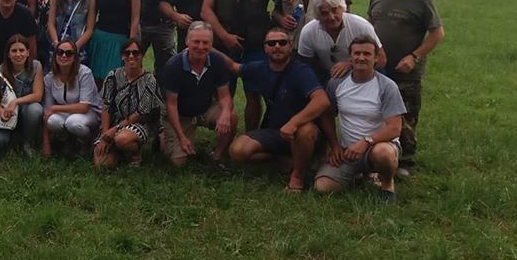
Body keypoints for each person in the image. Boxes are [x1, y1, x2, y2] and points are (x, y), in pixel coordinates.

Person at [368, 0, 444, 177]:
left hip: (406, 71)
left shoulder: (421, 0)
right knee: (377, 111)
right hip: (379, 67)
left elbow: (437, 34)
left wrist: (414, 56)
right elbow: (370, 25)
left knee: (405, 114)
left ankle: (405, 160)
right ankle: (378, 155)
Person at [227, 28, 330, 192]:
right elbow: (233, 67)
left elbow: (322, 100)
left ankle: (297, 177)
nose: (277, 46)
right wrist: (208, 48)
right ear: (265, 48)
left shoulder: (301, 71)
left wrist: (294, 122)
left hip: (303, 134)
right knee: (238, 151)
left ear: (290, 47)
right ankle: (283, 159)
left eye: (282, 42)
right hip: (276, 132)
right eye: (271, 43)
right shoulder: (259, 68)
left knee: (305, 130)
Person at [201, 0, 282, 132]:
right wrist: (224, 36)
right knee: (222, 93)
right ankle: (223, 137)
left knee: (253, 94)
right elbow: (206, 10)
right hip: (224, 44)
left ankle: (251, 135)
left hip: (255, 44)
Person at [315, 36, 405, 200]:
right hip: (347, 151)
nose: (361, 58)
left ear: (376, 58)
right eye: (357, 53)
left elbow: (394, 128)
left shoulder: (387, 86)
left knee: (383, 154)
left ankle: (387, 182)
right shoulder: (336, 83)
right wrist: (334, 146)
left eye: (367, 54)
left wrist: (365, 142)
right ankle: (361, 173)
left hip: (377, 145)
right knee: (322, 187)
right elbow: (327, 116)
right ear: (350, 57)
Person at [160, 22, 235, 167]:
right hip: (180, 114)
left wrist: (225, 113)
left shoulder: (218, 61)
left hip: (205, 108)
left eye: (205, 43)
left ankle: (217, 155)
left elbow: (224, 96)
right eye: (196, 42)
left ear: (211, 44)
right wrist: (181, 137)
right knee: (178, 162)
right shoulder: (173, 66)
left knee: (231, 116)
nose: (201, 47)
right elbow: (171, 105)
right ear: (187, 41)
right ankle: (163, 136)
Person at [93, 38, 163, 168]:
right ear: (122, 56)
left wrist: (115, 130)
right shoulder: (112, 76)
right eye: (127, 53)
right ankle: (119, 152)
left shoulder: (150, 80)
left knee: (122, 139)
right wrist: (105, 134)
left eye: (136, 53)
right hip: (115, 121)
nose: (131, 56)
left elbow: (140, 113)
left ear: (142, 55)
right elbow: (106, 106)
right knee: (101, 163)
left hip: (140, 122)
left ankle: (134, 153)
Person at [298, 0, 384, 85]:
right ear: (317, 15)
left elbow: (381, 60)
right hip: (327, 77)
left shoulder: (361, 26)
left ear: (342, 8)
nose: (331, 17)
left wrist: (351, 64)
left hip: (361, 76)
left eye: (335, 10)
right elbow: (305, 66)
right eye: (325, 13)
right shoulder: (308, 31)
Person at [0, 34, 45, 153]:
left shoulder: (36, 66)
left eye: (21, 50)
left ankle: (27, 142)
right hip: (6, 115)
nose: (18, 54)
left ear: (28, 52)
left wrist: (15, 102)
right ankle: (12, 141)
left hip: (26, 111)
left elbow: (38, 95)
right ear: (8, 54)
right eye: (14, 51)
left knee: (36, 109)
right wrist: (1, 111)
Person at [89, 0, 140, 85]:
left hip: (120, 41)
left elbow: (135, 18)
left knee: (117, 81)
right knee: (96, 81)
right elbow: (92, 17)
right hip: (99, 40)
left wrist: (131, 44)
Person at [41, 40, 101, 158]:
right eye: (60, 52)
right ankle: (66, 141)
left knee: (73, 123)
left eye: (69, 53)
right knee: (52, 121)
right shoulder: (49, 78)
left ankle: (85, 142)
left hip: (89, 112)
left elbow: (84, 107)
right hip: (65, 112)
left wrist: (55, 107)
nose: (64, 56)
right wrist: (45, 143)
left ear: (75, 57)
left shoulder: (84, 73)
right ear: (55, 56)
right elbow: (47, 112)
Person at [47, 0, 95, 67]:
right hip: (58, 45)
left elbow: (90, 28)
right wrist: (56, 44)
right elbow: (51, 23)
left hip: (78, 46)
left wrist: (75, 47)